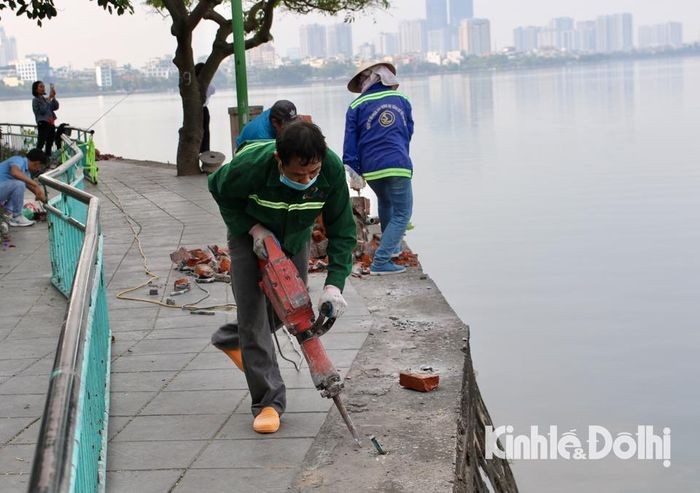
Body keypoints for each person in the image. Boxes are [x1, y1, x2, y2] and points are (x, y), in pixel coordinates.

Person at [208, 121, 356, 434]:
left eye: (312, 173)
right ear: (279, 159)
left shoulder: (330, 170)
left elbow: (343, 232)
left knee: (288, 312)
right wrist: (253, 229)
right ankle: (268, 403)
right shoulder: (251, 165)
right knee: (253, 316)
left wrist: (334, 285)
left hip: (295, 237)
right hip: (250, 235)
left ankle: (232, 338)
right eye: (297, 175)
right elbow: (218, 188)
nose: (307, 179)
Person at [343, 61, 414, 275]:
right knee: (403, 212)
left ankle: (390, 249)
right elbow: (408, 131)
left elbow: (350, 141)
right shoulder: (401, 100)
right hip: (397, 164)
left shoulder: (356, 106)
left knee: (385, 202)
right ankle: (382, 261)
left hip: (371, 168)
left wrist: (353, 169)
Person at [0, 149, 48, 227]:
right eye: (40, 166)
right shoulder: (18, 160)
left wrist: (48, 203)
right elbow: (15, 172)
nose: (39, 169)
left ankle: (7, 216)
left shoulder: (26, 173)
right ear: (37, 163)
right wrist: (36, 184)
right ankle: (16, 217)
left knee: (19, 184)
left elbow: (36, 191)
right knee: (19, 184)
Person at [235, 100, 299, 150]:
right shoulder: (262, 138)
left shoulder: (276, 112)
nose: (292, 128)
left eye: (293, 123)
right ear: (275, 122)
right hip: (245, 153)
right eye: (288, 126)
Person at [31, 81, 60, 157]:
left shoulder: (45, 99)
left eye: (43, 86)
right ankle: (35, 160)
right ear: (36, 89)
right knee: (41, 143)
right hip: (43, 124)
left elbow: (56, 107)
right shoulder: (35, 100)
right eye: (41, 87)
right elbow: (42, 111)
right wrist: (49, 98)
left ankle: (47, 160)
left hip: (50, 124)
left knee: (49, 144)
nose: (43, 88)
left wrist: (53, 97)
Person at [195, 63, 216, 153]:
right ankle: (205, 152)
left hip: (191, 112)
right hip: (203, 110)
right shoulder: (207, 85)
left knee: (195, 133)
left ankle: (196, 151)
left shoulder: (191, 85)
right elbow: (213, 89)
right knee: (205, 133)